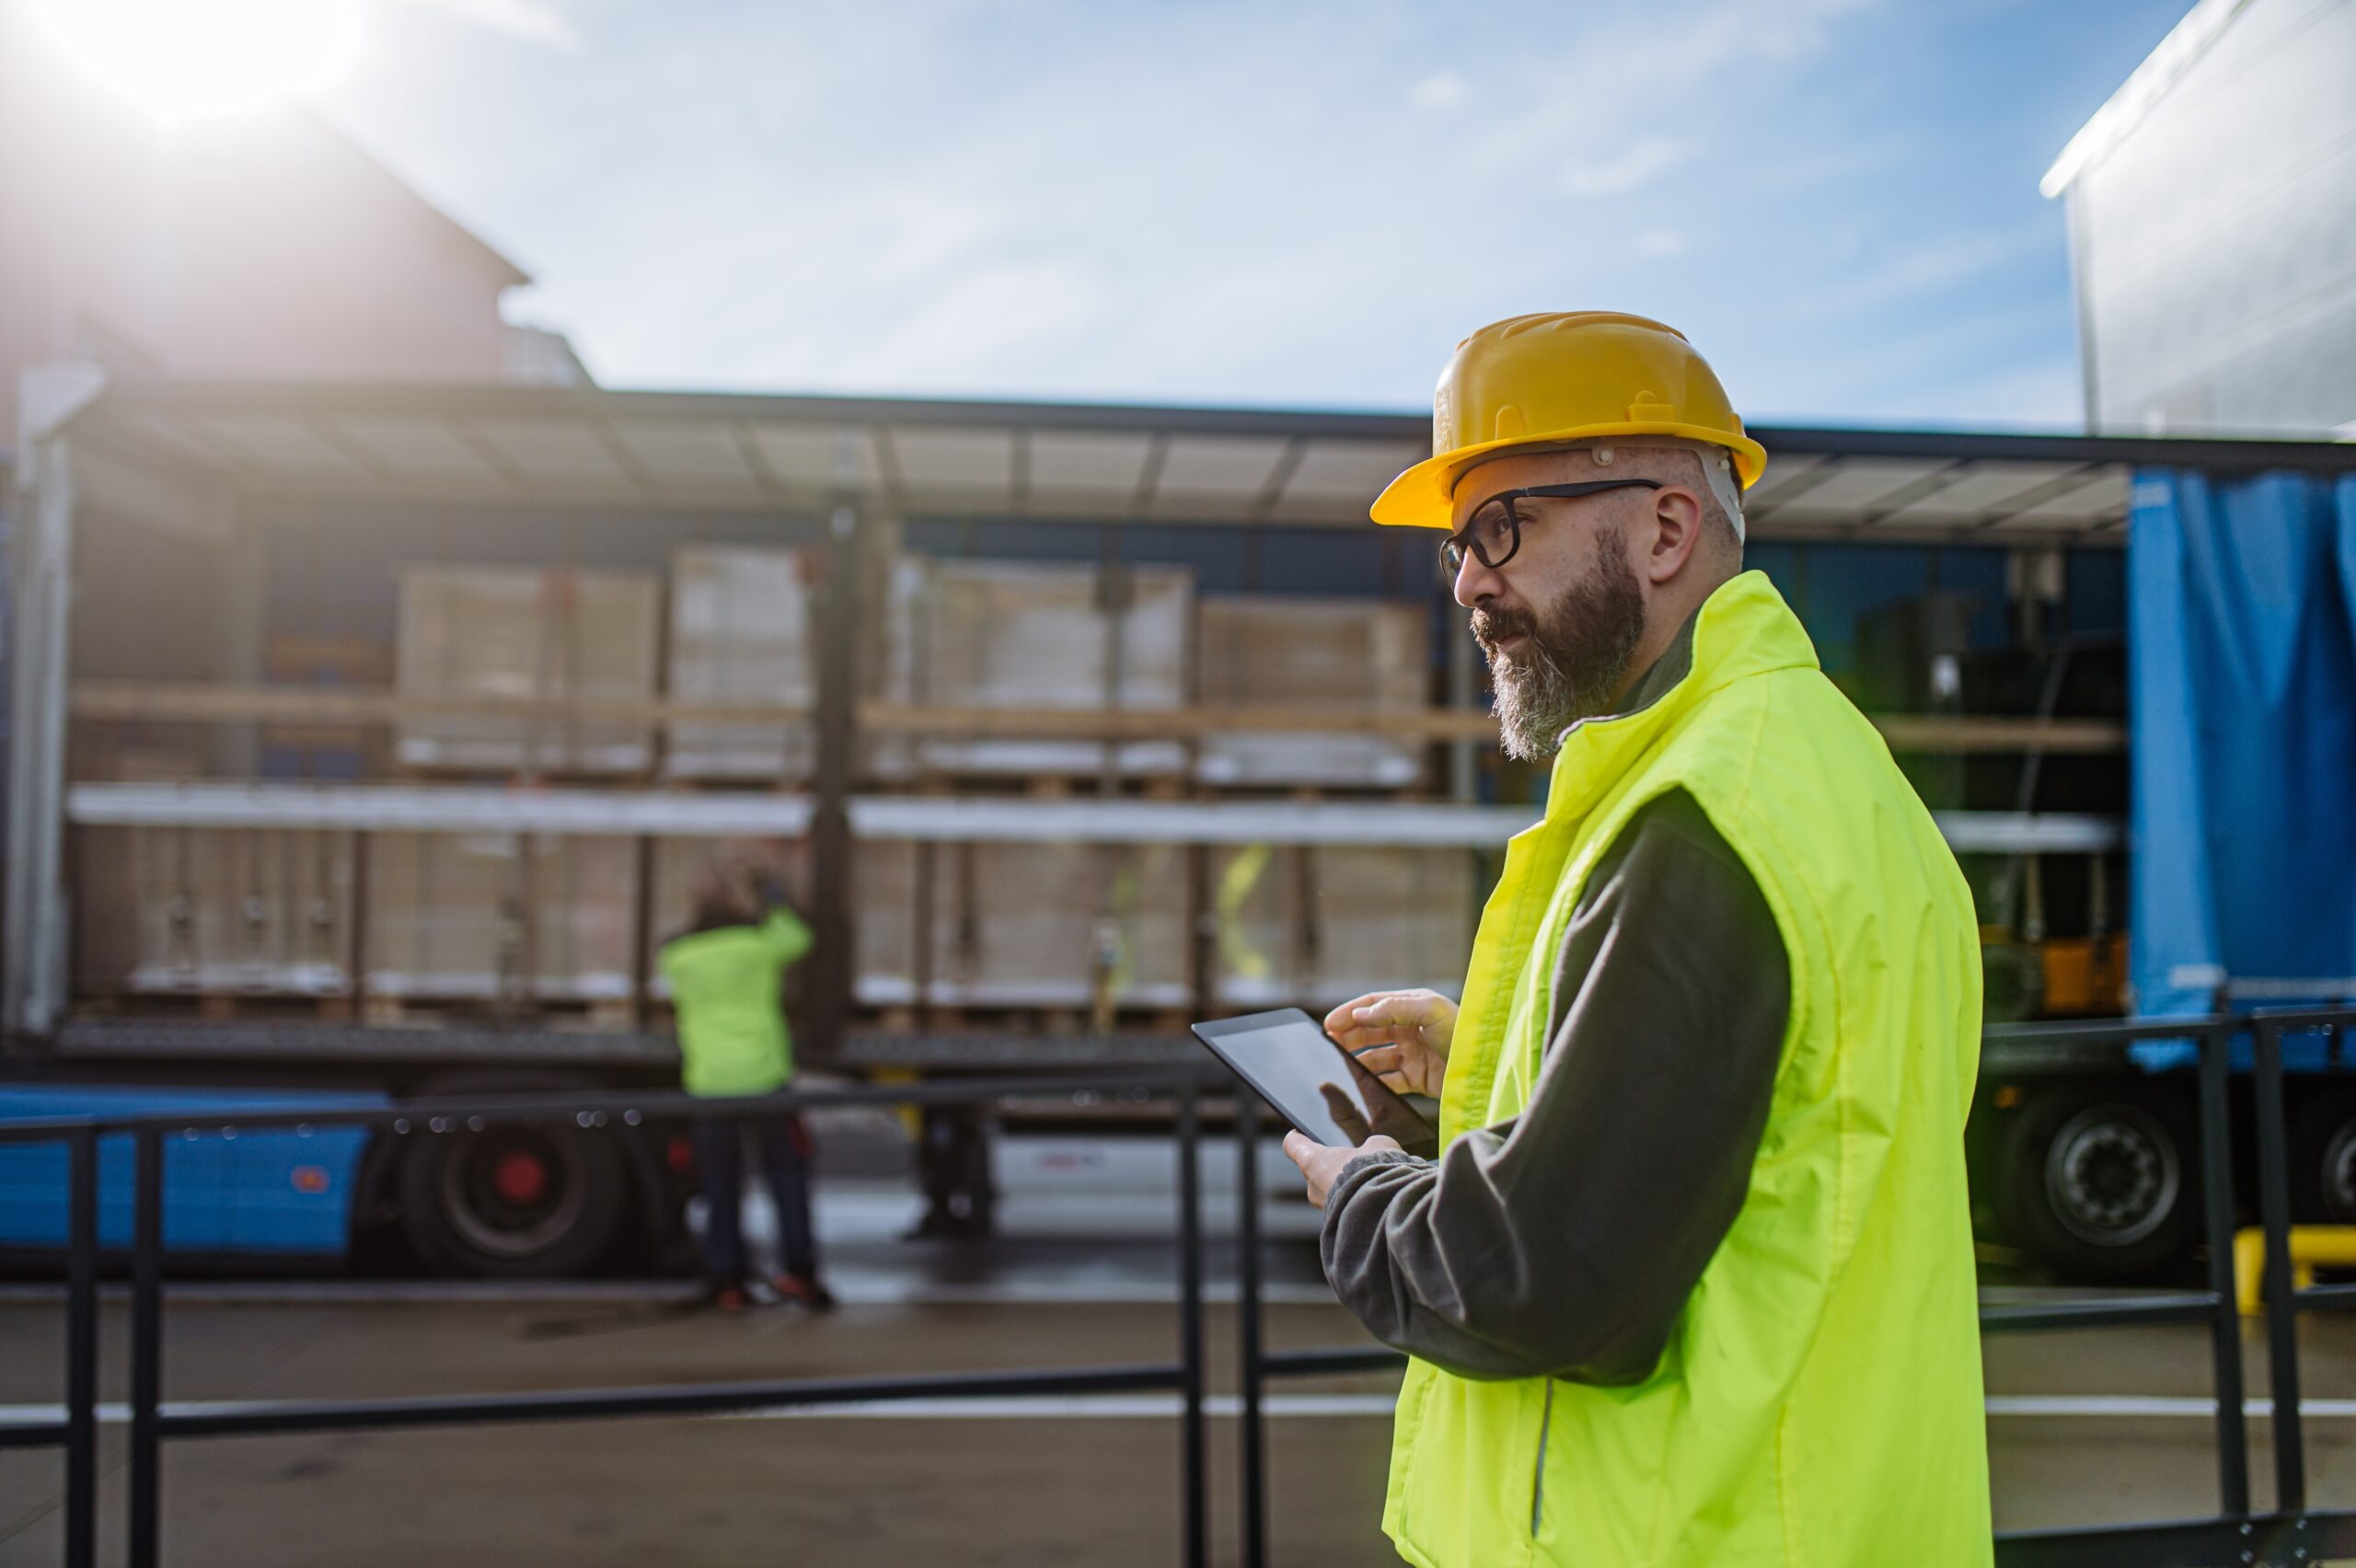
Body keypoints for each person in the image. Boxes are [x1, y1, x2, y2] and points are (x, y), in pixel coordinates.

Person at [1280, 312, 1992, 1566]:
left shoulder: (1700, 821)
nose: (1468, 585)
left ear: (1664, 528)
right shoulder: (1818, 769)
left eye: (1505, 528)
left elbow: (1535, 1279)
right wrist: (1500, 1072)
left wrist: (1361, 1199)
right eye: (1460, 544)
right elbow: (1778, 1137)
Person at [659, 853, 835, 1313]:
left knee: (721, 1186)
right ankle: (798, 1272)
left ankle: (728, 1280)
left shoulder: (679, 957)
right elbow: (799, 938)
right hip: (765, 1080)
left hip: (710, 1084)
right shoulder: (758, 947)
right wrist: (775, 898)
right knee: (787, 1177)